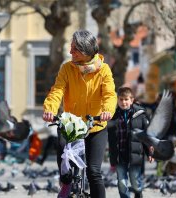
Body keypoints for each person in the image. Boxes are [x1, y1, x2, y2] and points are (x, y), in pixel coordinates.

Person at [43, 30, 117, 198]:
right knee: (64, 157)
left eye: (75, 49)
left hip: (95, 126)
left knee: (94, 171)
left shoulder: (104, 70)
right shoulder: (67, 68)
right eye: (71, 48)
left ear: (86, 51)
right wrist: (50, 109)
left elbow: (109, 94)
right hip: (71, 124)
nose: (70, 52)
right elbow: (57, 91)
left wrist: (107, 110)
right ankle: (66, 183)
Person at [108, 87, 154, 198]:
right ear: (117, 100)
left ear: (132, 100)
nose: (123, 102)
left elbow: (146, 137)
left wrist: (150, 153)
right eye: (121, 99)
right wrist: (112, 159)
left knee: (135, 182)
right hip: (120, 155)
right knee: (122, 183)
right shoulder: (113, 116)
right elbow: (110, 139)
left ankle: (138, 193)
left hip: (135, 155)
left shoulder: (140, 115)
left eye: (126, 99)